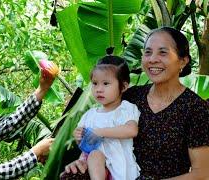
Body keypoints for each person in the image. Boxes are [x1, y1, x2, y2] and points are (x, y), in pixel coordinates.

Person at [61, 26, 209, 179]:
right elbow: (102, 130)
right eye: (148, 52)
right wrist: (82, 161)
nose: (152, 59)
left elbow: (202, 173)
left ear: (183, 61)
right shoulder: (130, 96)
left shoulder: (196, 109)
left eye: (163, 52)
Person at [74, 51, 141, 180]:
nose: (99, 89)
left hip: (120, 168)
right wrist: (78, 136)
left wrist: (100, 132)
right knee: (94, 155)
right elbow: (84, 145)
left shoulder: (126, 108)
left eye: (105, 84)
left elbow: (131, 130)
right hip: (97, 170)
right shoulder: (90, 115)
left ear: (123, 87)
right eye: (95, 83)